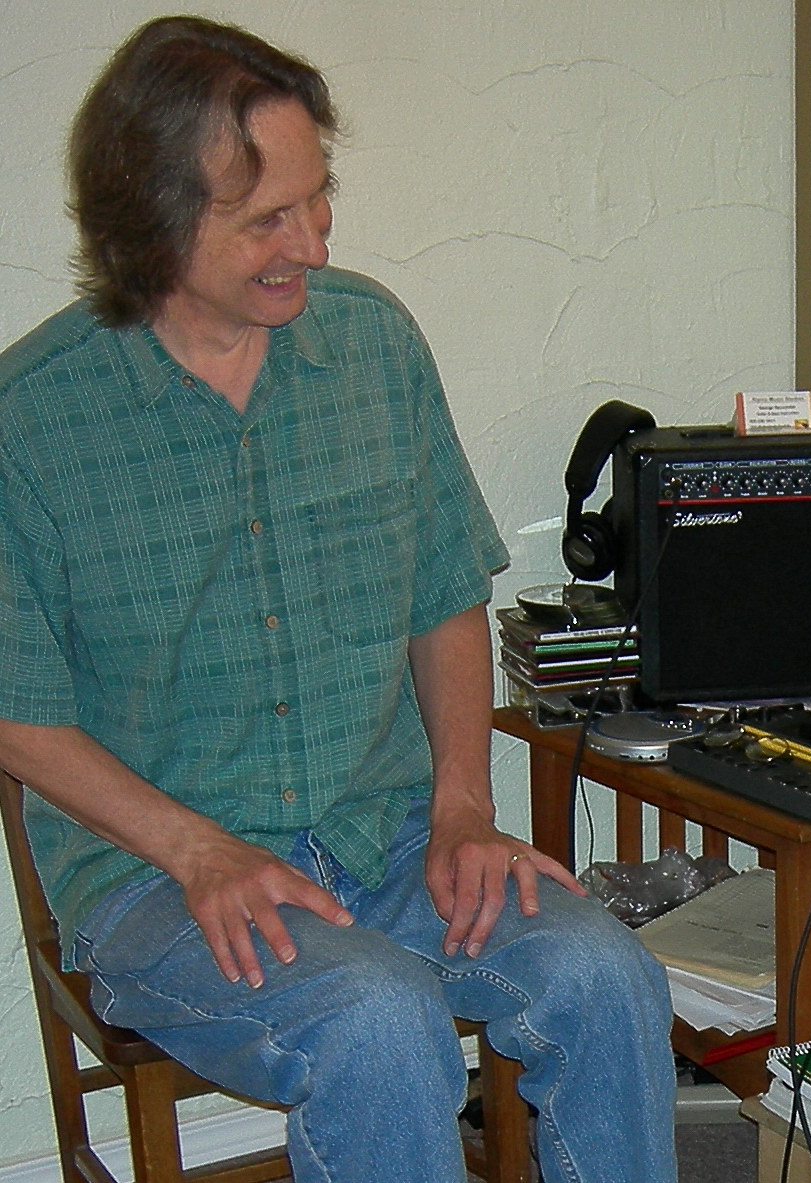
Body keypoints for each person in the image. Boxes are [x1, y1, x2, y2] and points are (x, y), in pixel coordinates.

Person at [0, 16, 676, 1183]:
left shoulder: (373, 347)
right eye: (265, 217)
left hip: (391, 833)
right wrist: (199, 852)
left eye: (318, 199)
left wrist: (463, 806)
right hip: (157, 876)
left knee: (606, 973)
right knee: (375, 1020)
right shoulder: (33, 421)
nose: (309, 243)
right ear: (151, 216)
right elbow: (19, 708)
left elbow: (442, 598)